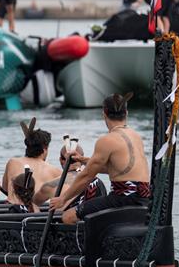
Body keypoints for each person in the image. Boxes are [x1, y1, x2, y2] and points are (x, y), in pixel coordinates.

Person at [50, 93, 150, 224]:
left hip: (122, 198)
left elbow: (87, 176)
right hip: (144, 197)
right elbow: (119, 169)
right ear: (126, 113)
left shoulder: (106, 140)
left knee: (68, 217)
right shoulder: (136, 136)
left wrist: (62, 199)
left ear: (104, 113)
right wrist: (83, 159)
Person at [1, 118, 62, 208]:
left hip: (11, 210)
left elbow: (5, 188)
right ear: (45, 148)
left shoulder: (12, 162)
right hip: (33, 213)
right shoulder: (55, 171)